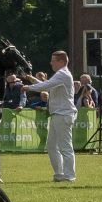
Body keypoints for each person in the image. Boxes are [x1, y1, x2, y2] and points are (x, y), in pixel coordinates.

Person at [22, 50, 76, 182]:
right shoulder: (60, 74)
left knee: (65, 147)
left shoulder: (63, 74)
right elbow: (48, 85)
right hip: (57, 114)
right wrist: (31, 79)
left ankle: (69, 176)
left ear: (61, 61)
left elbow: (45, 86)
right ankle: (59, 174)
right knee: (52, 146)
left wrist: (28, 87)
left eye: (53, 60)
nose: (51, 63)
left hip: (63, 114)